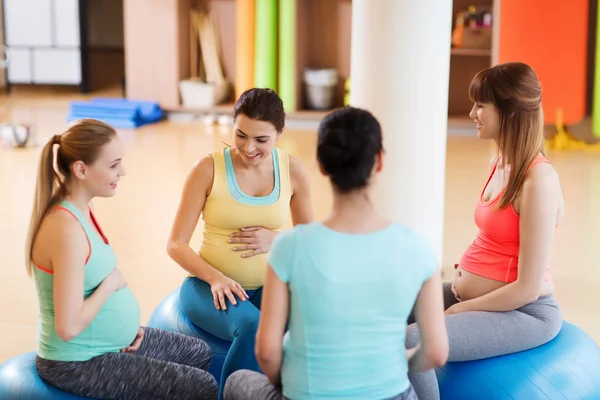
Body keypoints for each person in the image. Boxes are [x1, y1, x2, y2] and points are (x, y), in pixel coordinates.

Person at [222, 106, 449, 400]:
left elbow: (266, 352)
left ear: (322, 165)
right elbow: (436, 352)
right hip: (390, 394)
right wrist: (394, 365)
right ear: (379, 161)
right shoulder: (418, 249)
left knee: (236, 382)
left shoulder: (289, 246)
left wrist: (287, 382)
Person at [27, 119, 219, 400]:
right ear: (81, 169)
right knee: (202, 386)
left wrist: (122, 332)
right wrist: (110, 284)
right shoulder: (64, 229)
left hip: (106, 343)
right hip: (76, 362)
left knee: (198, 352)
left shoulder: (82, 207)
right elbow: (67, 327)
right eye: (114, 164)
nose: (123, 171)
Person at [406, 62, 565, 399]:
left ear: (508, 111)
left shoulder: (539, 181)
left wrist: (461, 308)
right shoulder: (500, 160)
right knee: (391, 302)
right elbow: (495, 239)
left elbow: (527, 288)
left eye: (481, 105)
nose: (472, 113)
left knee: (413, 341)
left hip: (523, 313)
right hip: (476, 296)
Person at [166, 88, 313, 396]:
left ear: (280, 134)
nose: (249, 148)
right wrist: (217, 279)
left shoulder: (293, 170)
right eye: (241, 135)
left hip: (269, 286)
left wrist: (277, 238)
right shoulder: (207, 169)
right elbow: (176, 244)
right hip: (207, 289)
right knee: (253, 327)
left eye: (262, 140)